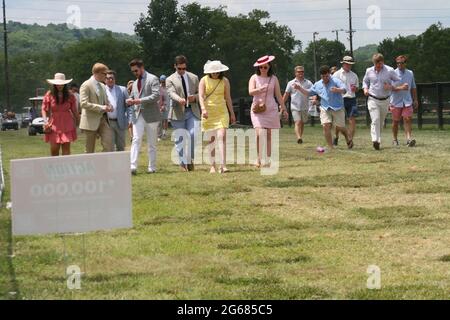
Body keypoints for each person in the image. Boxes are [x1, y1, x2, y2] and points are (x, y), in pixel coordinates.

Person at [296, 65, 354, 150]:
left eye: (327, 76)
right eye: (323, 76)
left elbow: (344, 89)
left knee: (340, 127)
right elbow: (309, 92)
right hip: (325, 108)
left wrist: (338, 90)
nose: (325, 78)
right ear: (321, 76)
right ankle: (331, 147)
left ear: (329, 74)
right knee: (326, 125)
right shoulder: (318, 84)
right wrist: (299, 88)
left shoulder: (336, 81)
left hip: (337, 107)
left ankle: (348, 138)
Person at [248, 55, 288, 167]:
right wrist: (259, 89)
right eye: (261, 67)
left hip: (271, 109)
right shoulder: (254, 77)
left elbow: (279, 96)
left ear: (269, 67)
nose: (263, 69)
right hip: (257, 109)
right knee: (259, 133)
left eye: (265, 67)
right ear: (258, 68)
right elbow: (250, 92)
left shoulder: (274, 79)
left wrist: (284, 109)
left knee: (270, 134)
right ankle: (259, 158)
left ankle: (269, 159)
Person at [199, 60, 236, 173]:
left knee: (222, 136)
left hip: (221, 111)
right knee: (211, 140)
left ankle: (223, 165)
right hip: (208, 112)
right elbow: (200, 96)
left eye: (217, 72)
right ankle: (212, 165)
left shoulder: (225, 81)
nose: (215, 74)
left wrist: (232, 113)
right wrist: (203, 109)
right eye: (213, 72)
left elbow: (228, 98)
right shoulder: (204, 80)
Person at [166, 55, 201, 172]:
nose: (181, 71)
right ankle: (182, 163)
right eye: (179, 68)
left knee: (193, 134)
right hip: (178, 111)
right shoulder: (170, 79)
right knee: (180, 138)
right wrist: (179, 99)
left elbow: (201, 94)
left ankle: (190, 159)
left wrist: (194, 98)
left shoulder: (194, 77)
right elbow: (171, 93)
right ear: (174, 66)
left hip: (192, 110)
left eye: (183, 68)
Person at [127, 59, 161, 175]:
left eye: (136, 70)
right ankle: (132, 166)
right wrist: (130, 100)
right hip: (138, 115)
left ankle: (152, 167)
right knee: (136, 139)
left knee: (152, 143)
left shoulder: (153, 78)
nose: (135, 73)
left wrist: (139, 100)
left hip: (151, 115)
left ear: (142, 67)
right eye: (133, 71)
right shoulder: (135, 83)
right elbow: (133, 96)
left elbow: (156, 96)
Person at [363, 53, 401, 150]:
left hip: (385, 99)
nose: (378, 67)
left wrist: (390, 86)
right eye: (376, 64)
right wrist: (365, 89)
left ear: (382, 62)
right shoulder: (369, 70)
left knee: (380, 121)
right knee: (375, 120)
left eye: (379, 64)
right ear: (374, 63)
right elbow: (365, 81)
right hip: (372, 98)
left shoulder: (390, 70)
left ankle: (378, 140)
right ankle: (375, 140)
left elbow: (398, 80)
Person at [42, 73, 80, 156]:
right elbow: (44, 109)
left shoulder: (70, 95)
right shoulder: (49, 94)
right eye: (58, 84)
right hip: (54, 124)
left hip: (67, 124)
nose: (60, 86)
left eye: (62, 84)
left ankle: (65, 168)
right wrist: (45, 122)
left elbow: (75, 111)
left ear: (65, 84)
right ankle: (53, 167)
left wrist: (78, 122)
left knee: (66, 151)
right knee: (54, 150)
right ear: (54, 84)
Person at [79, 62, 114, 153]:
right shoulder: (86, 85)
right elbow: (83, 103)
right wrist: (102, 107)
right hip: (90, 121)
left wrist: (109, 105)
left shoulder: (102, 85)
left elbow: (105, 100)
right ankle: (90, 167)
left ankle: (103, 165)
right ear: (96, 73)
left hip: (102, 119)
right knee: (89, 150)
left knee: (109, 144)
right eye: (104, 74)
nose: (106, 76)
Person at [390, 55, 418, 147]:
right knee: (395, 122)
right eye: (398, 63)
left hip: (407, 101)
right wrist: (401, 87)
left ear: (405, 63)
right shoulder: (392, 73)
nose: (399, 65)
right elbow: (389, 88)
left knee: (407, 119)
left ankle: (409, 139)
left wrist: (415, 99)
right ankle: (395, 139)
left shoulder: (410, 73)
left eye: (401, 63)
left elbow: (413, 87)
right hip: (395, 101)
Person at [333, 56, 359, 145]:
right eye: (347, 64)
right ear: (343, 63)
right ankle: (336, 136)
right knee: (339, 121)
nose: (349, 66)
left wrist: (355, 88)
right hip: (340, 99)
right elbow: (332, 87)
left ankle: (350, 140)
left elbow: (357, 88)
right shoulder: (336, 74)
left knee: (352, 119)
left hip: (351, 99)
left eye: (350, 64)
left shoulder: (354, 75)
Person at [282, 66, 313, 144]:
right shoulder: (291, 83)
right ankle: (298, 137)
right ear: (295, 73)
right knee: (298, 122)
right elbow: (286, 94)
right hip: (295, 106)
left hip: (305, 106)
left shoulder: (308, 82)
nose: (300, 73)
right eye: (299, 72)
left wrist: (314, 99)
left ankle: (300, 137)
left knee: (302, 122)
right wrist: (282, 104)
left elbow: (313, 92)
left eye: (302, 72)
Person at [105, 70, 130, 152]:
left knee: (121, 147)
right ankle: (111, 164)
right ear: (105, 79)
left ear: (115, 79)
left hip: (120, 122)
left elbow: (129, 106)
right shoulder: (102, 90)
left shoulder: (123, 89)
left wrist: (129, 119)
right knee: (110, 147)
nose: (110, 80)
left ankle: (121, 164)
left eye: (112, 78)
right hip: (108, 123)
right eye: (108, 78)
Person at [158, 75, 170, 140]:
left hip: (167, 106)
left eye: (164, 81)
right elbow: (159, 98)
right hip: (160, 106)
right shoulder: (158, 88)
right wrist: (161, 105)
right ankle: (159, 135)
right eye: (162, 81)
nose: (163, 83)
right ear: (160, 81)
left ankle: (164, 133)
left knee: (166, 120)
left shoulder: (168, 87)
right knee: (160, 121)